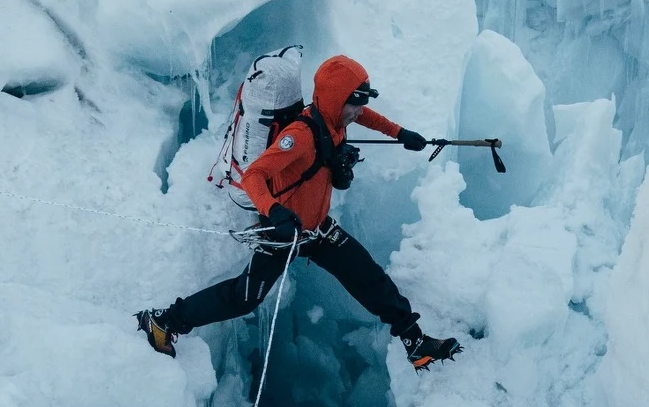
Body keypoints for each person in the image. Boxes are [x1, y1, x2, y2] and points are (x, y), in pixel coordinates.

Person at [136, 55, 463, 371]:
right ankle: (164, 321)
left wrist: (400, 134)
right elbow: (254, 176)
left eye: (361, 103)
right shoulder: (300, 137)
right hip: (282, 233)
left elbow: (366, 117)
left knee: (369, 277)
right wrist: (274, 212)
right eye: (354, 103)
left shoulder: (336, 118)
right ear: (335, 100)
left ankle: (414, 342)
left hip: (318, 231)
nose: (358, 111)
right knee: (245, 297)